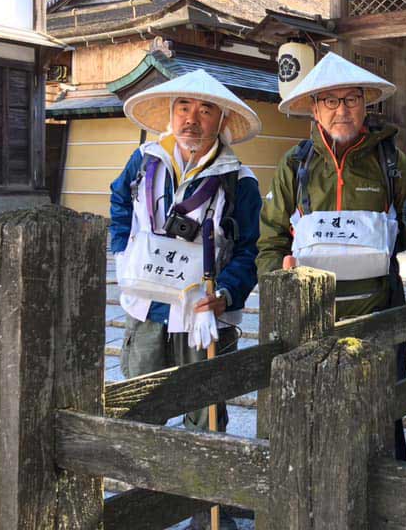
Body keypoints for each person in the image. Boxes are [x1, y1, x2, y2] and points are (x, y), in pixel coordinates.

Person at [258, 51, 406, 460]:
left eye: (352, 99)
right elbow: (270, 240)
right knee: (314, 419)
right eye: (330, 100)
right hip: (311, 318)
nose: (342, 110)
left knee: (383, 417)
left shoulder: (391, 161)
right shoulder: (295, 165)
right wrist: (278, 279)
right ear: (315, 109)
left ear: (365, 103)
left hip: (380, 314)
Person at [110, 69, 262, 530]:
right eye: (183, 108)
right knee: (141, 409)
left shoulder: (239, 181)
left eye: (205, 110)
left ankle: (207, 511)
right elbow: (119, 202)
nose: (191, 119)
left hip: (202, 315)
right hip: (147, 309)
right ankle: (142, 507)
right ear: (171, 113)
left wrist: (227, 293)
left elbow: (250, 249)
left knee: (206, 413)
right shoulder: (145, 161)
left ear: (222, 121)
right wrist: (123, 253)